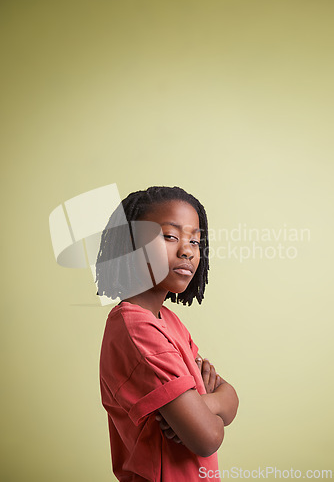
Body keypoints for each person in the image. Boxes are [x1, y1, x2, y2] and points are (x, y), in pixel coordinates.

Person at [95, 185, 239, 482]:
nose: (187, 250)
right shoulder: (136, 329)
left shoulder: (169, 321)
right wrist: (206, 406)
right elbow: (207, 437)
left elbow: (231, 398)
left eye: (196, 242)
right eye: (170, 236)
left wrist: (203, 404)